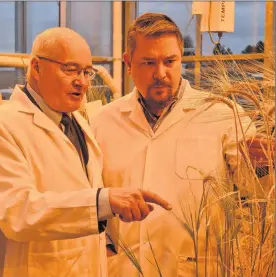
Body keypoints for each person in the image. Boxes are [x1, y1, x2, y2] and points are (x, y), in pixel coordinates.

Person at [0, 27, 172, 277]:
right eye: (70, 69)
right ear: (36, 67)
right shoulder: (0, 128)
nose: (82, 81)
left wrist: (107, 233)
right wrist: (104, 201)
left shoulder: (76, 122)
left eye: (87, 72)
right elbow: (18, 213)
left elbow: (83, 195)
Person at [91, 13, 269, 277]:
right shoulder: (102, 122)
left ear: (180, 60)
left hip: (197, 267)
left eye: (169, 61)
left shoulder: (221, 113)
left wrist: (264, 166)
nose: (160, 73)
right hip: (125, 268)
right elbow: (91, 198)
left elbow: (253, 194)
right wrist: (103, 245)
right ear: (128, 63)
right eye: (149, 62)